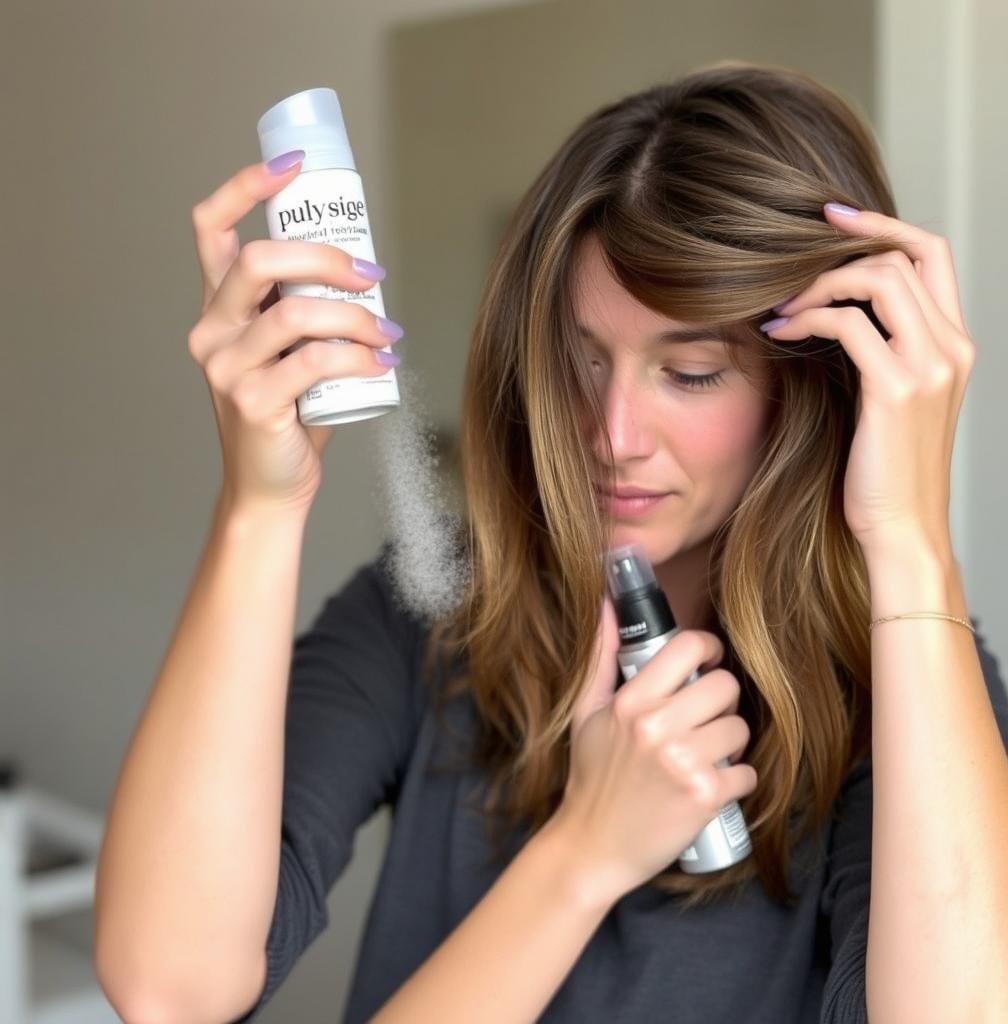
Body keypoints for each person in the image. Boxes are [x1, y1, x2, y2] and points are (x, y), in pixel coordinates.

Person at [93, 60, 1008, 1023]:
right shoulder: (438, 606)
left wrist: (907, 537)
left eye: (691, 372)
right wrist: (260, 508)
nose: (612, 435)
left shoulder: (907, 685)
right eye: (577, 363)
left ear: (818, 381)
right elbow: (169, 987)